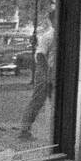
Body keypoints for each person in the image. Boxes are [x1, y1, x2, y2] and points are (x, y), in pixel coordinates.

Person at [18, 9, 57, 139]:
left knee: (56, 101)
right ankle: (24, 130)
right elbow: (40, 55)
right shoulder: (49, 36)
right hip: (45, 71)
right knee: (38, 100)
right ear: (52, 21)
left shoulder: (58, 35)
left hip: (54, 72)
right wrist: (47, 74)